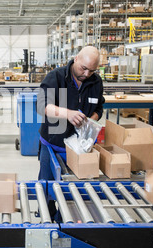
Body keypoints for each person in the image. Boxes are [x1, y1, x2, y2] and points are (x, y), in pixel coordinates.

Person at [36, 46, 105, 219]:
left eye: (92, 70)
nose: (87, 74)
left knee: (74, 194)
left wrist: (91, 120)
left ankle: (63, 225)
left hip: (79, 148)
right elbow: (42, 106)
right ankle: (47, 221)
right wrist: (67, 114)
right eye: (84, 68)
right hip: (53, 145)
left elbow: (99, 108)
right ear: (75, 59)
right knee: (47, 189)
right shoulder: (56, 77)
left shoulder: (96, 82)